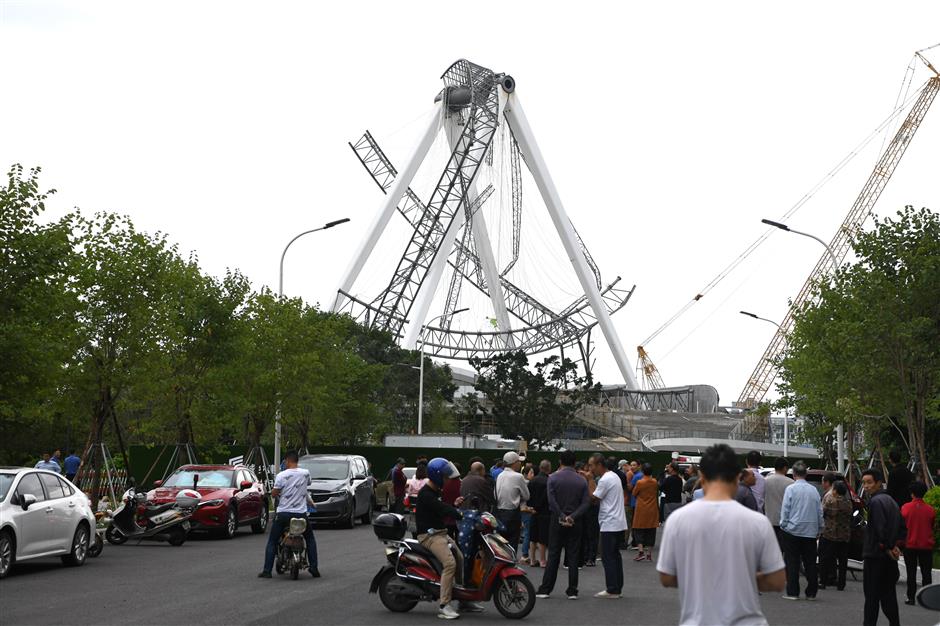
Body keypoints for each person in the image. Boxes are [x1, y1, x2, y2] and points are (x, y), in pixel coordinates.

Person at [657, 443, 785, 626]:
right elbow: (777, 580)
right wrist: (741, 577)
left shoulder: (678, 520)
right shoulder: (758, 522)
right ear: (736, 477)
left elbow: (666, 577)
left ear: (701, 476)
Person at [415, 457, 480, 620]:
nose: (447, 480)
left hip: (440, 532)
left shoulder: (436, 490)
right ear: (437, 476)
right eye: (444, 477)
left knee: (460, 557)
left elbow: (440, 508)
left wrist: (455, 505)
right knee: (450, 563)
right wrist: (457, 512)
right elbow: (440, 508)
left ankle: (463, 600)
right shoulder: (426, 494)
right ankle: (444, 605)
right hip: (429, 535)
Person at [536, 450, 590, 600]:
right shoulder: (582, 480)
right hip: (575, 521)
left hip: (556, 520)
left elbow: (551, 501)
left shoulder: (552, 478)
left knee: (553, 554)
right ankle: (572, 590)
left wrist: (561, 515)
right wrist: (572, 516)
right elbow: (586, 503)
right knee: (573, 555)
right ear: (574, 462)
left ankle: (545, 589)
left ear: (560, 461)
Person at [258, 451, 319, 579]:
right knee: (310, 539)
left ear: (287, 461)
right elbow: (305, 488)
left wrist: (276, 492)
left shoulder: (281, 475)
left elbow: (274, 493)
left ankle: (267, 571)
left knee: (272, 541)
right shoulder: (305, 473)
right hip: (301, 514)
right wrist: (311, 502)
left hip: (283, 515)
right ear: (297, 461)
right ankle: (314, 567)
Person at [860, 467, 905, 626]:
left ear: (879, 483)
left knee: (872, 598)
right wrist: (895, 547)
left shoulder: (875, 501)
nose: (866, 486)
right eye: (864, 483)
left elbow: (880, 529)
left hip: (875, 556)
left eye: (869, 482)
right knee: (888, 596)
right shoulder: (892, 501)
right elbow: (902, 528)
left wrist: (887, 546)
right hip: (889, 557)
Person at [778, 461, 823, 600]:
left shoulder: (790, 489)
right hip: (810, 531)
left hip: (793, 530)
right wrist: (820, 527)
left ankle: (793, 592)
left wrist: (783, 524)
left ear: (794, 474)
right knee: (810, 562)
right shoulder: (814, 490)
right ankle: (811, 592)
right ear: (806, 474)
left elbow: (786, 509)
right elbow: (819, 511)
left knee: (792, 562)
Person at [589, 453, 627, 598]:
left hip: (609, 522)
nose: (591, 468)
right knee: (615, 556)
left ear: (599, 465)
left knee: (608, 557)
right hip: (617, 521)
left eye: (592, 465)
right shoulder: (614, 476)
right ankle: (617, 587)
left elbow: (593, 498)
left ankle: (612, 589)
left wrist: (590, 480)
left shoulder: (605, 479)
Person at [900, 481, 934, 606]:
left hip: (910, 544)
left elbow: (902, 526)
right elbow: (931, 526)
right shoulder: (930, 510)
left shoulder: (905, 507)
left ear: (912, 493)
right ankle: (928, 598)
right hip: (926, 544)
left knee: (911, 572)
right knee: (926, 573)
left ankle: (911, 597)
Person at [818, 476, 852, 591]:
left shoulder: (830, 501)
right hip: (844, 536)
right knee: (842, 561)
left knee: (825, 558)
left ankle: (822, 581)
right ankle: (841, 584)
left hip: (829, 534)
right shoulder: (848, 503)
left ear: (836, 490)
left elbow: (822, 513)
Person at [495, 451, 529, 556]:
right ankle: (511, 565)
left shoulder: (500, 475)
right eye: (518, 461)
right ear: (514, 463)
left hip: (499, 512)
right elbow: (527, 496)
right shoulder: (518, 477)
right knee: (512, 542)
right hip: (513, 513)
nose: (520, 463)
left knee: (501, 542)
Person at [631, 462, 659, 562]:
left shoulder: (640, 482)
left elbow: (634, 493)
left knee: (638, 529)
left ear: (643, 471)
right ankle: (649, 554)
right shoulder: (655, 481)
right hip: (652, 508)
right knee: (651, 530)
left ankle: (641, 551)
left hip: (641, 508)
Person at [764, 457, 793, 553]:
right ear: (785, 468)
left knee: (771, 552)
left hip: (769, 521)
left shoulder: (765, 481)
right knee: (785, 553)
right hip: (785, 524)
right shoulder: (791, 483)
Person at [526, 460, 551, 567]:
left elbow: (528, 496)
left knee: (533, 537)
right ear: (548, 469)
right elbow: (548, 497)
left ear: (540, 468)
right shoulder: (548, 481)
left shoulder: (532, 480)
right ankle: (542, 560)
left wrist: (532, 507)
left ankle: (532, 559)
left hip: (533, 511)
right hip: (545, 512)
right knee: (543, 537)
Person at [576, 461, 599, 566]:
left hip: (591, 509)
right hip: (583, 509)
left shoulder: (592, 480)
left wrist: (589, 479)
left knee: (591, 534)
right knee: (584, 535)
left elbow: (593, 498)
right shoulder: (579, 481)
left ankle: (591, 557)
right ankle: (585, 556)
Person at [442, 463, 462, 540]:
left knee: (448, 540)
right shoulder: (461, 483)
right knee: (458, 539)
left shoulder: (444, 484)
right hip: (458, 517)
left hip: (446, 517)